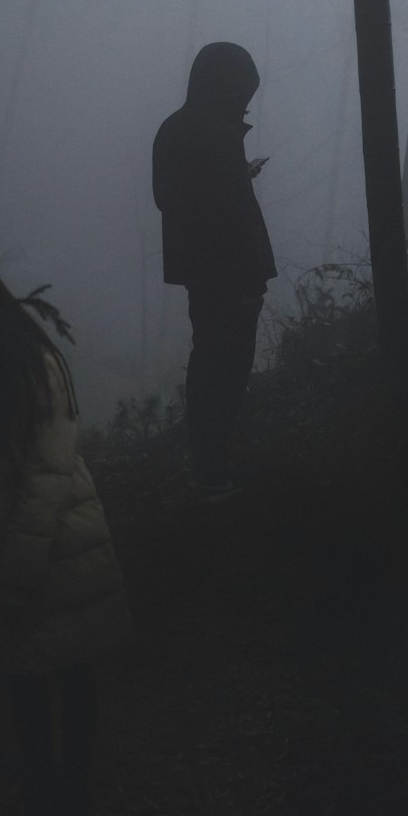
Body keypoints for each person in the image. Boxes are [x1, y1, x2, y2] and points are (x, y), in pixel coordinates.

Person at [0, 251, 133, 816]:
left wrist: (13, 571)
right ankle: (46, 793)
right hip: (1, 556)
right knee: (24, 681)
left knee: (71, 669)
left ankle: (75, 789)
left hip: (62, 544)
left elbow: (49, 472)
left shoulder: (34, 364)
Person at [152, 42, 277, 500]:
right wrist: (247, 282)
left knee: (211, 363)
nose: (245, 103)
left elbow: (175, 197)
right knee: (222, 372)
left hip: (207, 275)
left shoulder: (176, 128)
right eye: (242, 92)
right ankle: (213, 475)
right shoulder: (213, 133)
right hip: (229, 277)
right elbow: (225, 212)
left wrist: (234, 172)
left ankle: (210, 470)